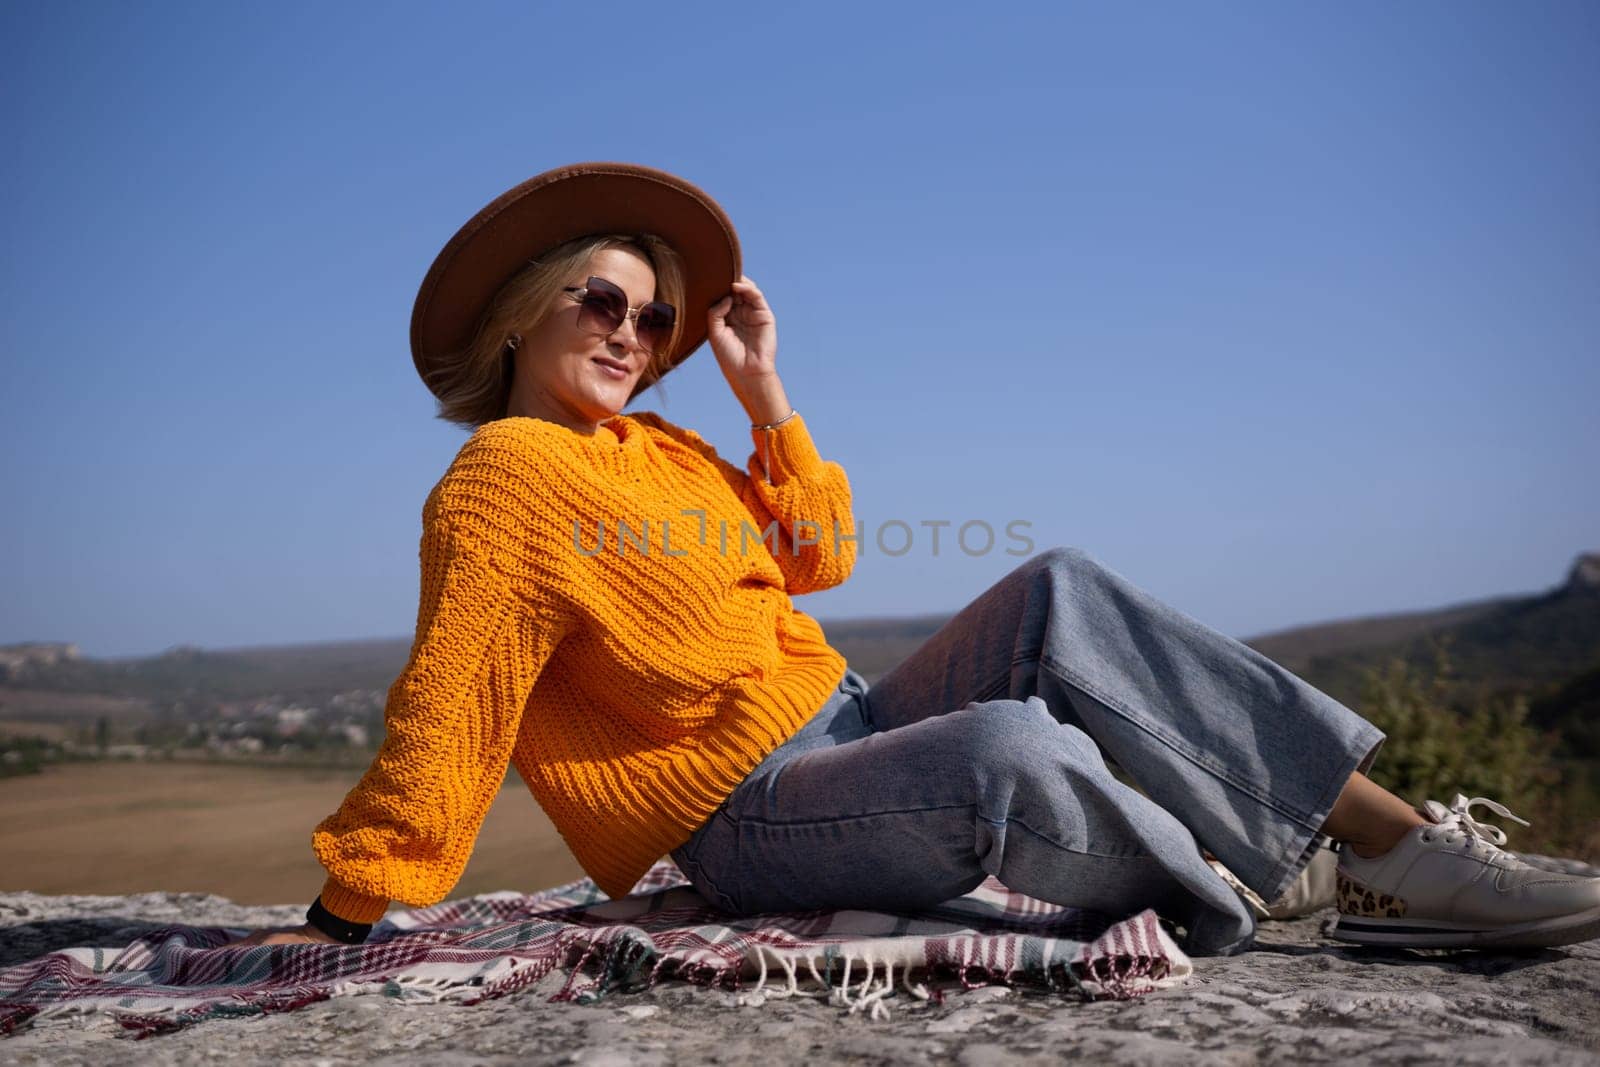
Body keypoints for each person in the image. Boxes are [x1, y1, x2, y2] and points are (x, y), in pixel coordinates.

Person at [222, 162, 1600, 955]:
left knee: (1061, 588)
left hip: (854, 720)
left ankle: (1399, 856)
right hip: (739, 817)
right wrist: (354, 911)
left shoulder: (669, 450)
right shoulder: (500, 481)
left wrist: (763, 395)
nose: (634, 334)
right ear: (525, 313)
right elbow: (452, 705)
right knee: (1006, 746)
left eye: (655, 317)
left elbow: (819, 556)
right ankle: (1251, 888)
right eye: (603, 300)